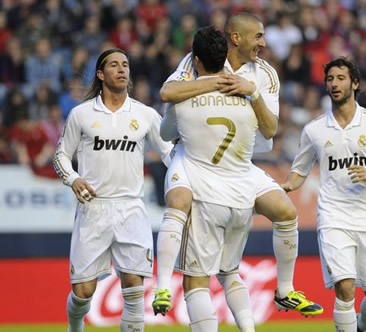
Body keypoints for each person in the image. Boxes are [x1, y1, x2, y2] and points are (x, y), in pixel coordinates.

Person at [153, 11, 322, 318]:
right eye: (258, 36)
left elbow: (270, 128)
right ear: (236, 38)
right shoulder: (199, 62)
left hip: (241, 162)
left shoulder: (266, 74)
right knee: (179, 203)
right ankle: (162, 284)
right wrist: (216, 83)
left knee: (285, 211)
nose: (264, 43)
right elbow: (169, 92)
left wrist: (252, 91)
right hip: (197, 156)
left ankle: (285, 291)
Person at [281, 57, 366, 332]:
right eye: (330, 79)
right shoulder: (314, 130)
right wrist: (287, 185)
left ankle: (363, 327)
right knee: (345, 287)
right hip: (333, 215)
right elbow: (299, 170)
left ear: (355, 83)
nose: (334, 84)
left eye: (340, 78)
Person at [53, 48, 173, 332]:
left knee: (133, 286)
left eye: (126, 65)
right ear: (100, 74)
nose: (122, 69)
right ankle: (75, 326)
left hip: (131, 208)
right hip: (93, 209)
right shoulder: (81, 114)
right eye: (114, 65)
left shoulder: (145, 115)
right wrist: (73, 178)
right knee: (83, 292)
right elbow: (60, 156)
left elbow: (170, 155)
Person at [161, 25, 257, 332]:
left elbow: (165, 134)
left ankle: (161, 285)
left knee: (195, 282)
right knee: (230, 272)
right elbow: (269, 131)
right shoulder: (247, 97)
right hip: (243, 200)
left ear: (196, 60)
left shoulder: (184, 99)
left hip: (207, 198)